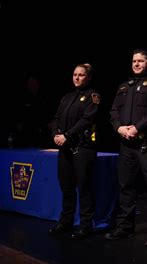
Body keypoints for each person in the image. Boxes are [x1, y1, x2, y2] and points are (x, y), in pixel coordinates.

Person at [106, 49, 147, 245]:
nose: (137, 64)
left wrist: (137, 128)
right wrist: (119, 128)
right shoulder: (125, 85)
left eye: (141, 61)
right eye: (134, 61)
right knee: (126, 186)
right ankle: (125, 227)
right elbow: (114, 110)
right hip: (126, 143)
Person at [48, 63, 100, 240]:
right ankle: (66, 221)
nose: (77, 78)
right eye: (74, 74)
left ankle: (86, 225)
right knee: (66, 188)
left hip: (83, 148)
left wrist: (67, 135)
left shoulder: (93, 97)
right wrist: (56, 133)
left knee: (84, 188)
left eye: (81, 75)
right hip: (65, 149)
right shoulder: (67, 97)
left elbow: (87, 120)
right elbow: (55, 118)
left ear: (88, 77)